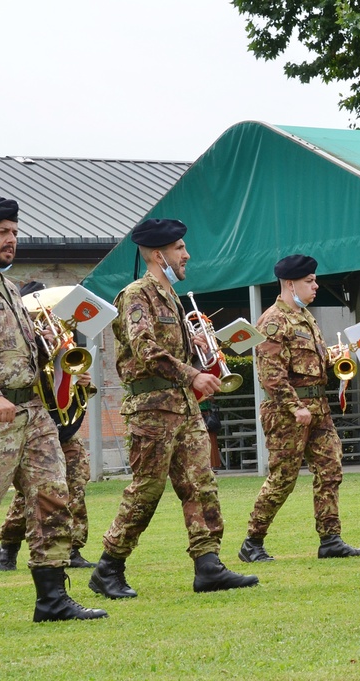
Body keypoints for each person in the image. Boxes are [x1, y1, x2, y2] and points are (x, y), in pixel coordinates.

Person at [0, 198, 106, 622]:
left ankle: (52, 601)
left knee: (53, 499)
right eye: (3, 232)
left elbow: (28, 354)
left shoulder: (10, 288)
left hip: (33, 415)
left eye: (15, 233)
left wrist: (65, 377)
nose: (12, 240)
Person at [88, 218, 258, 598]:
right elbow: (146, 349)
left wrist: (194, 342)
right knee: (146, 490)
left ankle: (208, 565)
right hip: (152, 409)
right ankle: (108, 567)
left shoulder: (172, 297)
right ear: (157, 253)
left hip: (182, 407)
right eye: (180, 248)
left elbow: (167, 348)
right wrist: (193, 374)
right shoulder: (137, 294)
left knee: (201, 484)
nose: (187, 255)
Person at [238, 254, 360, 562]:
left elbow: (311, 361)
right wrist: (294, 407)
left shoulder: (305, 317)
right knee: (282, 479)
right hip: (289, 412)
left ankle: (330, 539)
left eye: (314, 280)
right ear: (289, 283)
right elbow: (270, 375)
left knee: (330, 467)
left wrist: (333, 356)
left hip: (318, 406)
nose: (316, 286)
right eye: (309, 281)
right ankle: (252, 542)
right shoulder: (273, 321)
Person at [0, 281, 98, 572]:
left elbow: (72, 384)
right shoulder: (21, 341)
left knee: (76, 484)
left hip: (65, 428)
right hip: (37, 425)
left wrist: (83, 381)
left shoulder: (63, 340)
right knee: (31, 493)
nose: (48, 319)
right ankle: (9, 545)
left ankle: (73, 548)